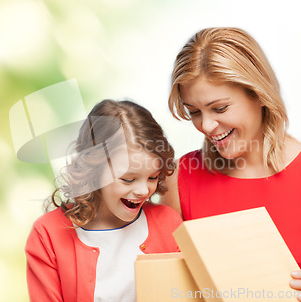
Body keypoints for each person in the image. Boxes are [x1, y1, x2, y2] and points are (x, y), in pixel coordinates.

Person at [162, 27, 301, 301]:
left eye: (220, 108)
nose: (207, 125)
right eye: (194, 112)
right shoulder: (178, 179)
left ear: (259, 94)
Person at [25, 99, 183, 302]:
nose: (144, 190)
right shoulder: (47, 234)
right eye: (128, 179)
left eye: (153, 177)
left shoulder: (169, 224)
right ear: (95, 169)